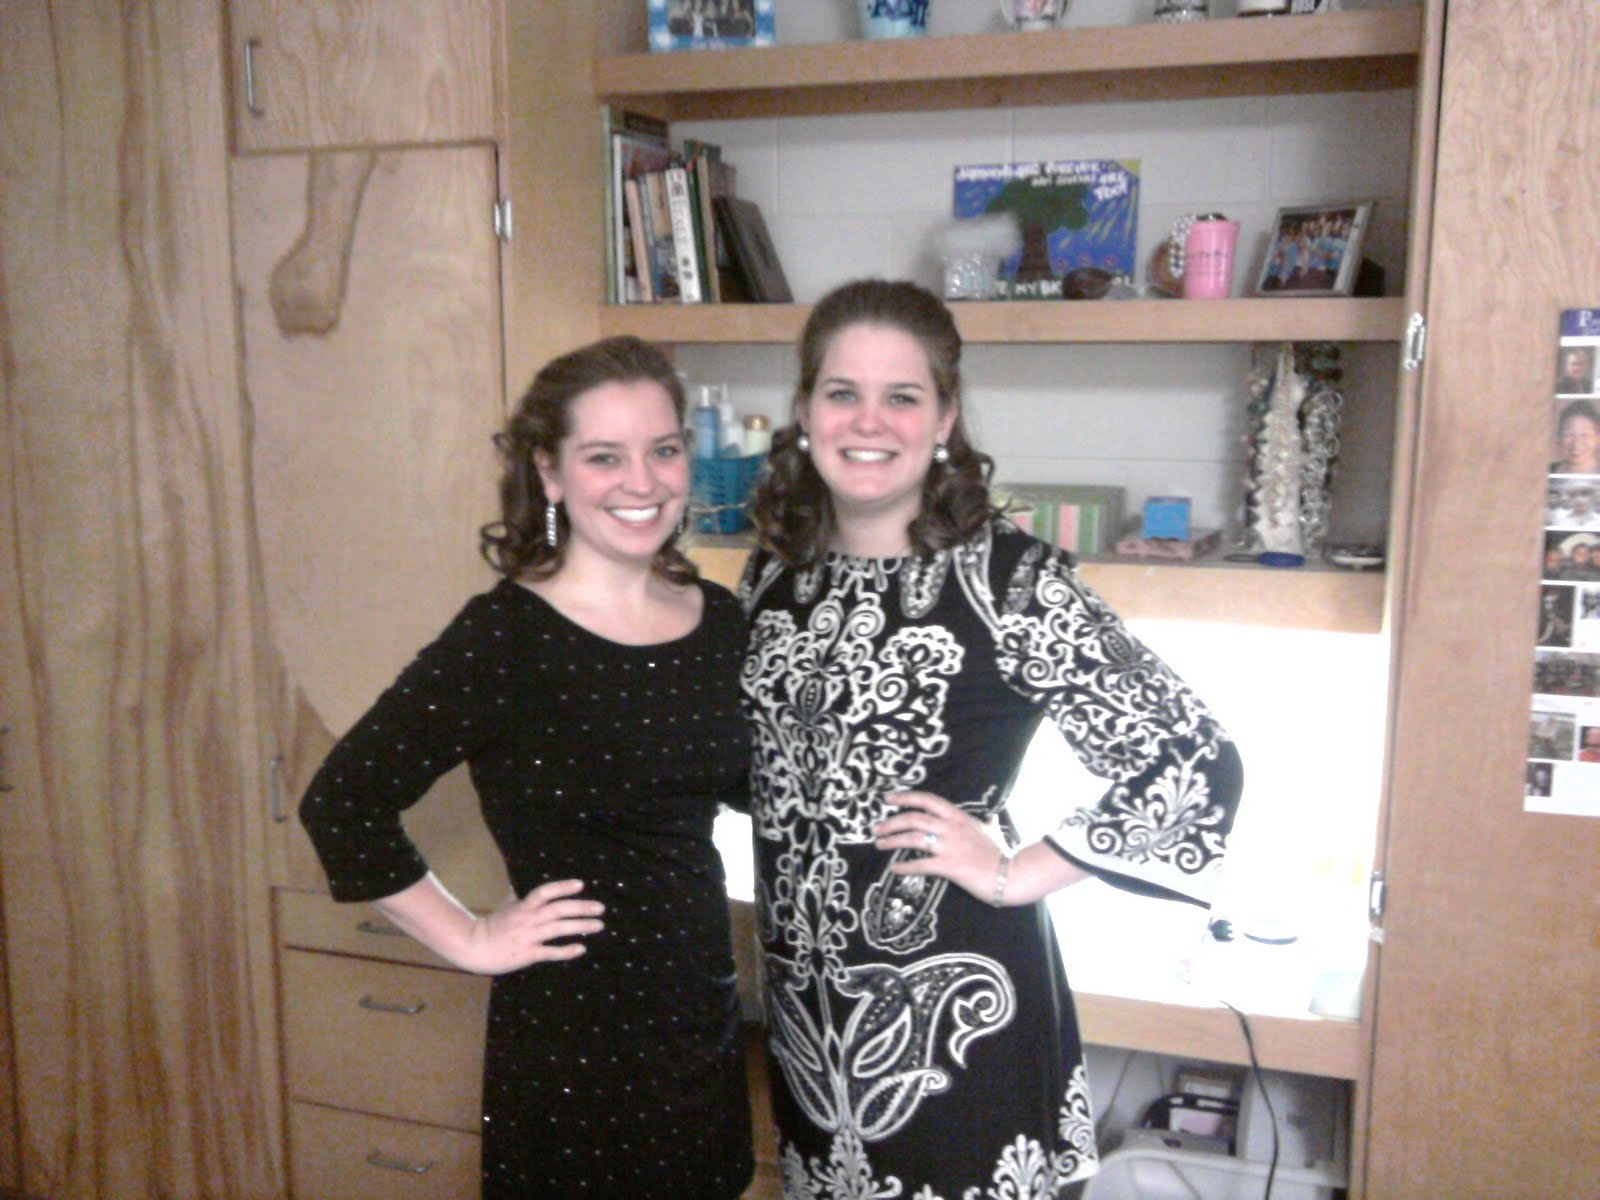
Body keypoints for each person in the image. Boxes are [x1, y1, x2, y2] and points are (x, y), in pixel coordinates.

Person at [737, 279, 1244, 1198]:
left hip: (959, 1026)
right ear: (805, 411)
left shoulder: (1009, 583)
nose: (869, 421)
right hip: (809, 1037)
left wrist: (1017, 872)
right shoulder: (775, 571)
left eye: (902, 396)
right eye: (843, 392)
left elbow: (1192, 759)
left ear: (945, 418)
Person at [297, 335, 753, 1200]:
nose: (642, 482)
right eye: (605, 456)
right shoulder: (507, 637)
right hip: (573, 1036)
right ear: (550, 471)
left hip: (700, 1015)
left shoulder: (719, 620)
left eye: (662, 451)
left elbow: (745, 783)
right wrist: (470, 938)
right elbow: (343, 803)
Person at [1551, 398, 1600, 475]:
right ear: (1559, 439)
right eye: (1569, 434)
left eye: (1585, 435)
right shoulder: (1547, 470)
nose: (1577, 443)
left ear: (1597, 438)